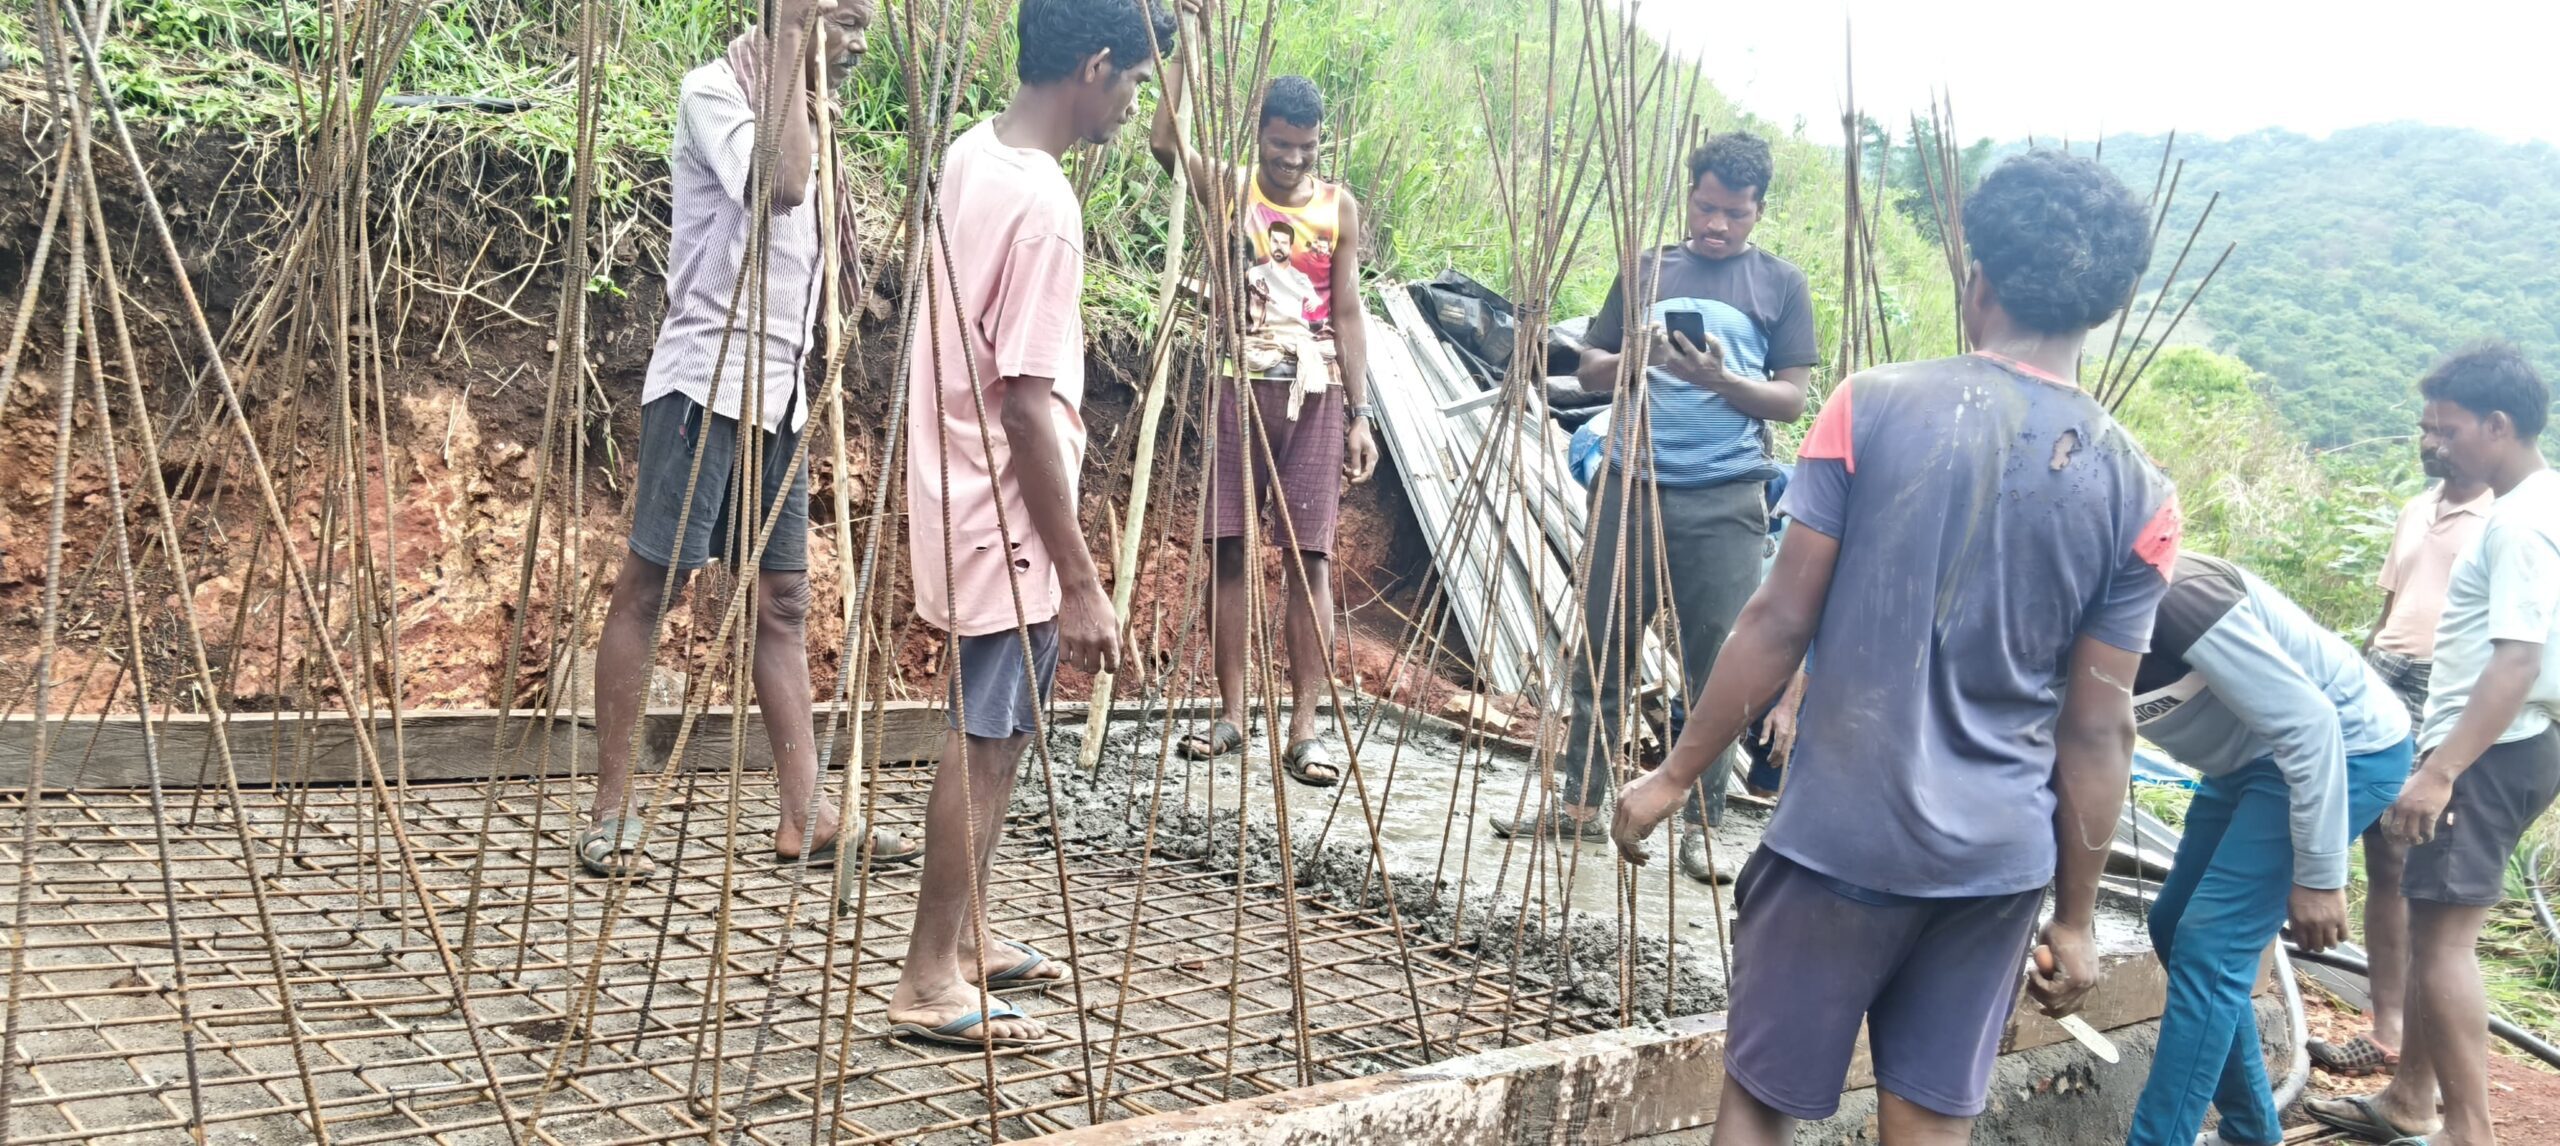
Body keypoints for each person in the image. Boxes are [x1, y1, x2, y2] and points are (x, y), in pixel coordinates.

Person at [1613, 150, 2176, 1145]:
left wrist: (1669, 778)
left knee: (1757, 1107)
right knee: (1927, 1123)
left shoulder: (1869, 406)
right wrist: (2076, 920)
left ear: (1978, 278)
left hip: (1840, 842)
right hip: (1996, 868)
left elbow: (1777, 621)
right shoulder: (2140, 490)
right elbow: (2098, 730)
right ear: (2115, 304)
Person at [884, 0, 1171, 1048]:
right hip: (1002, 510)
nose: (1134, 98)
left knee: (997, 735)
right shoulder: (1045, 206)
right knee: (987, 738)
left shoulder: (974, 153)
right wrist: (1083, 577)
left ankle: (962, 942)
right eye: (1134, 78)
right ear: (1094, 66)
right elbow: (1025, 406)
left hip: (956, 486)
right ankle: (926, 978)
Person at [578, 0, 905, 879]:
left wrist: (809, 91)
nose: (860, 43)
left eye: (866, 24)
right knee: (654, 587)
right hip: (704, 381)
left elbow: (827, 244)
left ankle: (805, 811)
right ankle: (611, 811)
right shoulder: (715, 92)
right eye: (842, 19)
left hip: (781, 397)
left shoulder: (815, 122)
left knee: (783, 602)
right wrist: (793, 45)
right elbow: (780, 187)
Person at [1490, 131, 1819, 886]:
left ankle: (1702, 827)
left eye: (1734, 214)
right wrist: (1636, 358)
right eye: (1706, 207)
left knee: (1719, 668)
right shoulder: (1648, 269)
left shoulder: (1780, 285)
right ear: (1690, 195)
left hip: (1727, 493)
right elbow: (1592, 367)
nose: (1717, 225)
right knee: (1600, 650)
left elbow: (1792, 397)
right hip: (1629, 484)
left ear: (1758, 211)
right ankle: (1577, 802)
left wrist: (1722, 380)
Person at [2312, 342, 2560, 1146]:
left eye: (2448, 430)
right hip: (2519, 742)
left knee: (2447, 941)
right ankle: (2410, 1098)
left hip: (2486, 751)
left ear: (2497, 424)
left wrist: (2443, 769)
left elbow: (2517, 658)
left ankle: (2470, 1133)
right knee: (2429, 922)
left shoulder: (2518, 523)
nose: (2436, 445)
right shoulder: (2546, 502)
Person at [2123, 554, 2410, 1146]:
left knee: (2210, 944)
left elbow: (2311, 726)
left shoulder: (2181, 597)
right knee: (2174, 924)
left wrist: (2320, 874)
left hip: (2345, 751)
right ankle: (2254, 1130)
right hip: (2243, 762)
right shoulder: (2038, 619)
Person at [1152, 55, 1378, 785]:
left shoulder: (1337, 207)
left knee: (1310, 558)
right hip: (1236, 383)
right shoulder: (1230, 185)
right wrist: (1184, 49)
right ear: (1260, 135)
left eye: (1305, 148)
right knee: (1227, 548)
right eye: (1280, 144)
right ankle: (1230, 714)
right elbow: (1163, 141)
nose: (1290, 159)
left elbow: (1346, 309)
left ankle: (1305, 729)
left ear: (1320, 142)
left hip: (1316, 391)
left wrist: (1361, 416)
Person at [2309, 419, 2493, 1079]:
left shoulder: (2501, 517)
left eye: (2443, 430)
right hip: (2383, 675)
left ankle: (2420, 1047)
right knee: (2380, 856)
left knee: (2416, 861)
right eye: (2425, 430)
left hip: (2447, 686)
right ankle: (2385, 1027)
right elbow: (2393, 607)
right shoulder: (2419, 509)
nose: (2429, 442)